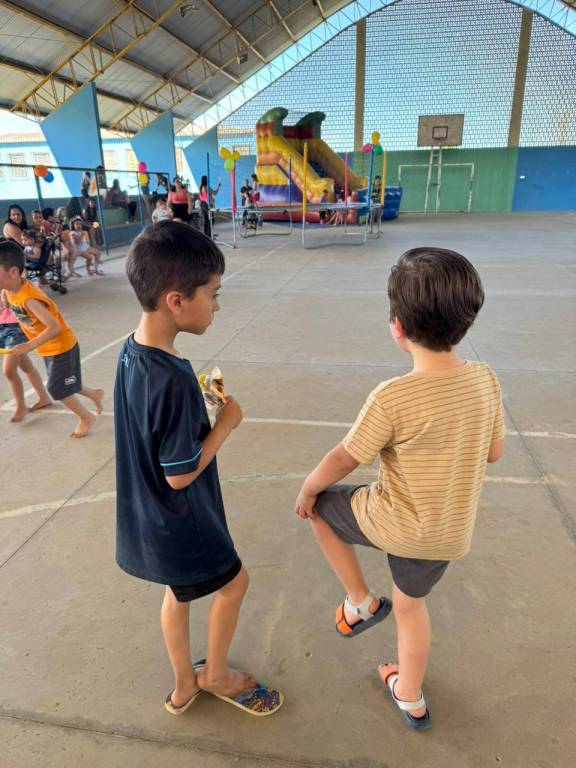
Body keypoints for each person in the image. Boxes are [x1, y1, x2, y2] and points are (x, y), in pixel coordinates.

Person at [294, 247, 505, 732]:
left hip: (397, 522)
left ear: (398, 326)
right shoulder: (486, 380)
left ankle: (359, 601)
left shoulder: (393, 397)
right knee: (410, 608)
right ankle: (409, 696)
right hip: (447, 534)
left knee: (322, 507)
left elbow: (345, 457)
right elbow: (493, 453)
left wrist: (308, 487)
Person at [114, 221, 283, 717]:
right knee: (235, 583)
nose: (217, 305)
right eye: (212, 294)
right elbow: (181, 472)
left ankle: (184, 683)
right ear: (175, 301)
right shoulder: (173, 379)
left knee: (178, 592)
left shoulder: (132, 353)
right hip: (182, 517)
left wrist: (200, 408)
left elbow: (155, 431)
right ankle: (217, 676)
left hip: (151, 515)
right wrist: (225, 422)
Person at [0, 240, 104, 438]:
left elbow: (54, 327)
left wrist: (28, 345)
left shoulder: (29, 299)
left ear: (13, 272)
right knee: (65, 381)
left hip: (61, 346)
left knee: (57, 388)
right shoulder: (10, 289)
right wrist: (4, 296)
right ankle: (94, 394)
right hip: (49, 348)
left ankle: (86, 417)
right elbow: (10, 287)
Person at [0, 296, 51, 423]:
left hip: (15, 326)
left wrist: (4, 294)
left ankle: (21, 406)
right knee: (26, 366)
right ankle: (44, 398)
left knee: (9, 371)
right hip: (2, 325)